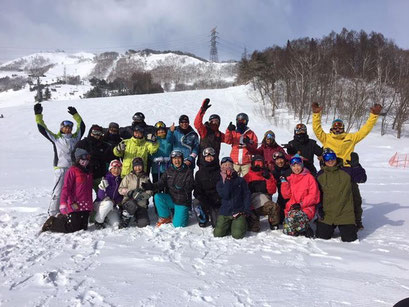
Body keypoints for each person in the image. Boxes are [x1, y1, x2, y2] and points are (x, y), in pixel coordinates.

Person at [311, 102, 382, 229]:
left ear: (343, 128)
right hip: (328, 172)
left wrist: (373, 116)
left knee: (354, 197)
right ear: (332, 128)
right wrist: (316, 114)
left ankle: (357, 220)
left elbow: (365, 130)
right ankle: (322, 217)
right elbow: (317, 129)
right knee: (325, 196)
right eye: (335, 126)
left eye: (340, 126)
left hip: (346, 172)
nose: (337, 128)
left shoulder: (351, 137)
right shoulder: (326, 138)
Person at [34, 103, 86, 216]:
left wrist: (76, 115)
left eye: (69, 128)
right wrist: (38, 115)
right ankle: (53, 214)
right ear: (61, 128)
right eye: (65, 127)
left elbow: (82, 126)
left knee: (72, 192)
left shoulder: (75, 137)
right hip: (61, 169)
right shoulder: (56, 138)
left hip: (73, 169)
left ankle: (67, 211)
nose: (67, 129)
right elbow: (42, 129)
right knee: (58, 192)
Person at [316, 150, 367, 242]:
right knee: (321, 237)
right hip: (328, 214)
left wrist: (356, 166)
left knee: (349, 239)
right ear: (323, 160)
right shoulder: (320, 175)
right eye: (327, 158)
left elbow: (361, 178)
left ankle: (352, 225)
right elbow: (317, 194)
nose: (330, 160)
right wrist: (319, 208)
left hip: (345, 213)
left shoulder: (346, 171)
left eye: (332, 157)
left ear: (336, 158)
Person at [41, 148, 93, 233]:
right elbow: (66, 188)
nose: (86, 161)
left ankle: (63, 217)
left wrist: (90, 205)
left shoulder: (88, 172)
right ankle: (52, 222)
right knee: (72, 228)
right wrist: (63, 203)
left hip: (85, 205)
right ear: (78, 159)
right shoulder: (73, 171)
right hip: (75, 203)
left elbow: (88, 191)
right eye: (83, 158)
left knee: (83, 228)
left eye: (87, 158)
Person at [141, 150, 194, 228]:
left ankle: (184, 213)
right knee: (158, 197)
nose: (177, 161)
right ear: (172, 160)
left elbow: (190, 186)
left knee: (178, 225)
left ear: (182, 159)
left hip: (182, 201)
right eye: (174, 159)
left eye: (179, 158)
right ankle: (165, 217)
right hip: (172, 199)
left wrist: (181, 187)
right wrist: (150, 186)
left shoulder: (187, 171)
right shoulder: (169, 170)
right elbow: (161, 183)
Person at [280, 154, 320, 237]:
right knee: (288, 231)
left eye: (298, 165)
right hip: (292, 208)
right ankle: (301, 229)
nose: (296, 168)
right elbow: (286, 196)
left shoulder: (309, 177)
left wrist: (301, 204)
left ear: (302, 165)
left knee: (294, 218)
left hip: (306, 208)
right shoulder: (290, 178)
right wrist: (284, 183)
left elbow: (314, 196)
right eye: (293, 166)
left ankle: (305, 228)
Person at [214, 157, 251, 239]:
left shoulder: (240, 181)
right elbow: (225, 195)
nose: (227, 167)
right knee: (218, 234)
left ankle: (240, 224)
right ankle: (230, 225)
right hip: (225, 211)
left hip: (238, 211)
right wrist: (228, 180)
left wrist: (246, 210)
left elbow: (246, 195)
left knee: (238, 235)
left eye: (229, 165)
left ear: (233, 166)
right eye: (225, 165)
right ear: (221, 167)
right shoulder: (219, 182)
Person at [243, 155, 280, 231]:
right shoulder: (247, 176)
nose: (258, 165)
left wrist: (268, 179)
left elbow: (272, 191)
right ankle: (253, 219)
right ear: (252, 164)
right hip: (252, 205)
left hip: (264, 203)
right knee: (254, 229)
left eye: (260, 163)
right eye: (256, 163)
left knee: (274, 206)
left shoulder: (268, 175)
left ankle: (274, 224)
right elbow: (243, 193)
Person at [74, 124, 111, 191]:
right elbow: (74, 156)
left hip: (99, 175)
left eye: (99, 133)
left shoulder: (103, 145)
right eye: (94, 132)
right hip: (85, 174)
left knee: (102, 194)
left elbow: (108, 158)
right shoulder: (82, 143)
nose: (96, 135)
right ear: (90, 132)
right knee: (84, 195)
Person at [118, 157, 153, 228]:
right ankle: (125, 218)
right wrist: (129, 192)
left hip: (141, 204)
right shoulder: (128, 177)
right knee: (132, 204)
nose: (138, 168)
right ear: (133, 167)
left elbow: (150, 191)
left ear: (142, 166)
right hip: (129, 202)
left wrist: (142, 195)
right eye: (136, 166)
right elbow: (120, 189)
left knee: (143, 224)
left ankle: (137, 216)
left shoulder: (146, 178)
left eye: (139, 166)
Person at [193, 147, 222, 228]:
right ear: (204, 158)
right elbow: (197, 190)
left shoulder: (220, 171)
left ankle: (214, 214)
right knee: (196, 203)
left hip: (217, 200)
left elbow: (223, 188)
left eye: (211, 156)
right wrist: (203, 199)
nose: (209, 158)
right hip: (205, 199)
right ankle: (203, 218)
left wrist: (218, 198)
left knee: (216, 225)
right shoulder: (199, 173)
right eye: (207, 156)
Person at [194, 98, 225, 167]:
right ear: (209, 122)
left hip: (215, 163)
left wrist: (230, 131)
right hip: (203, 163)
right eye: (212, 121)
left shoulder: (219, 134)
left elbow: (229, 139)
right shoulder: (204, 131)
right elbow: (197, 124)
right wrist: (202, 110)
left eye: (216, 121)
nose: (214, 123)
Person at [94, 159, 123, 229]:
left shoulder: (120, 181)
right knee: (108, 204)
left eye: (119, 168)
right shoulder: (106, 179)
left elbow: (120, 196)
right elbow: (100, 196)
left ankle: (105, 218)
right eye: (114, 168)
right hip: (101, 204)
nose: (116, 170)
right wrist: (101, 188)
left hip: (112, 206)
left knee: (116, 224)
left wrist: (115, 201)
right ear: (110, 169)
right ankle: (98, 221)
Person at [271, 151, 292, 224]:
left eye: (281, 159)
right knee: (279, 220)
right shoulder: (274, 172)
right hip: (281, 198)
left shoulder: (290, 169)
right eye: (277, 160)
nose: (279, 162)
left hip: (291, 198)